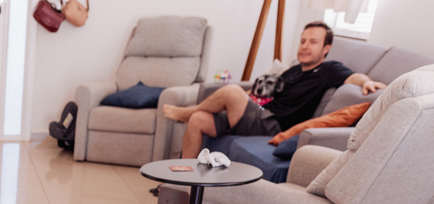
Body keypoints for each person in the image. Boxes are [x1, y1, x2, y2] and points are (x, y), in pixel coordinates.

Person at [163, 21, 387, 158]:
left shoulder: (330, 70)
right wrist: (252, 97)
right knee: (199, 120)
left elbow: (354, 77)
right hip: (258, 115)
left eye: (313, 42)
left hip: (273, 125)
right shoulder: (293, 70)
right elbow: (266, 93)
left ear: (326, 48)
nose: (305, 47)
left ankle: (185, 112)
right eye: (302, 41)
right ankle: (183, 182)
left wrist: (366, 82)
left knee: (231, 91)